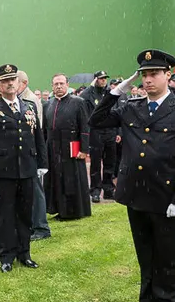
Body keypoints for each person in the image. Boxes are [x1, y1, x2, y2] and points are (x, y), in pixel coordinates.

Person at [90, 49, 175, 302]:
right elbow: (96, 120)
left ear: (168, 75)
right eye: (144, 75)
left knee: (166, 252)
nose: (148, 80)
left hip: (165, 196)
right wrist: (116, 91)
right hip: (135, 193)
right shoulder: (131, 106)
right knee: (144, 250)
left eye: (154, 74)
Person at [0, 64, 48, 273]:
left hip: (27, 168)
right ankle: (6, 256)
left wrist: (42, 164)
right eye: (4, 81)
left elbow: (38, 136)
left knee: (24, 214)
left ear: (19, 82)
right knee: (6, 215)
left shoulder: (28, 106)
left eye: (13, 79)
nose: (10, 83)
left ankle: (25, 253)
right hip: (4, 170)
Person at [44, 73, 92, 220]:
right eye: (56, 84)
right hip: (53, 149)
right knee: (56, 180)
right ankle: (58, 208)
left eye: (61, 83)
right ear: (52, 86)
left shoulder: (78, 102)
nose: (58, 86)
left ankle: (73, 211)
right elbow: (45, 129)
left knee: (71, 180)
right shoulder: (47, 104)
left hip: (72, 148)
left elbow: (85, 127)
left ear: (67, 84)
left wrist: (84, 149)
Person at [17, 70, 51, 241]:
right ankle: (31, 224)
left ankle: (41, 227)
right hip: (23, 155)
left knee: (36, 193)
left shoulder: (30, 100)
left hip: (31, 154)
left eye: (15, 81)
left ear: (23, 83)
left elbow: (37, 130)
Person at [81, 70, 116, 203]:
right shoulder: (90, 93)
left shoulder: (109, 93)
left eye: (105, 78)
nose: (103, 81)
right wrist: (90, 86)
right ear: (95, 79)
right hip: (96, 132)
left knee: (110, 162)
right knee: (95, 162)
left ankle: (108, 190)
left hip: (110, 131)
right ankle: (95, 190)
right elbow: (81, 98)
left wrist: (117, 132)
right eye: (100, 78)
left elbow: (116, 110)